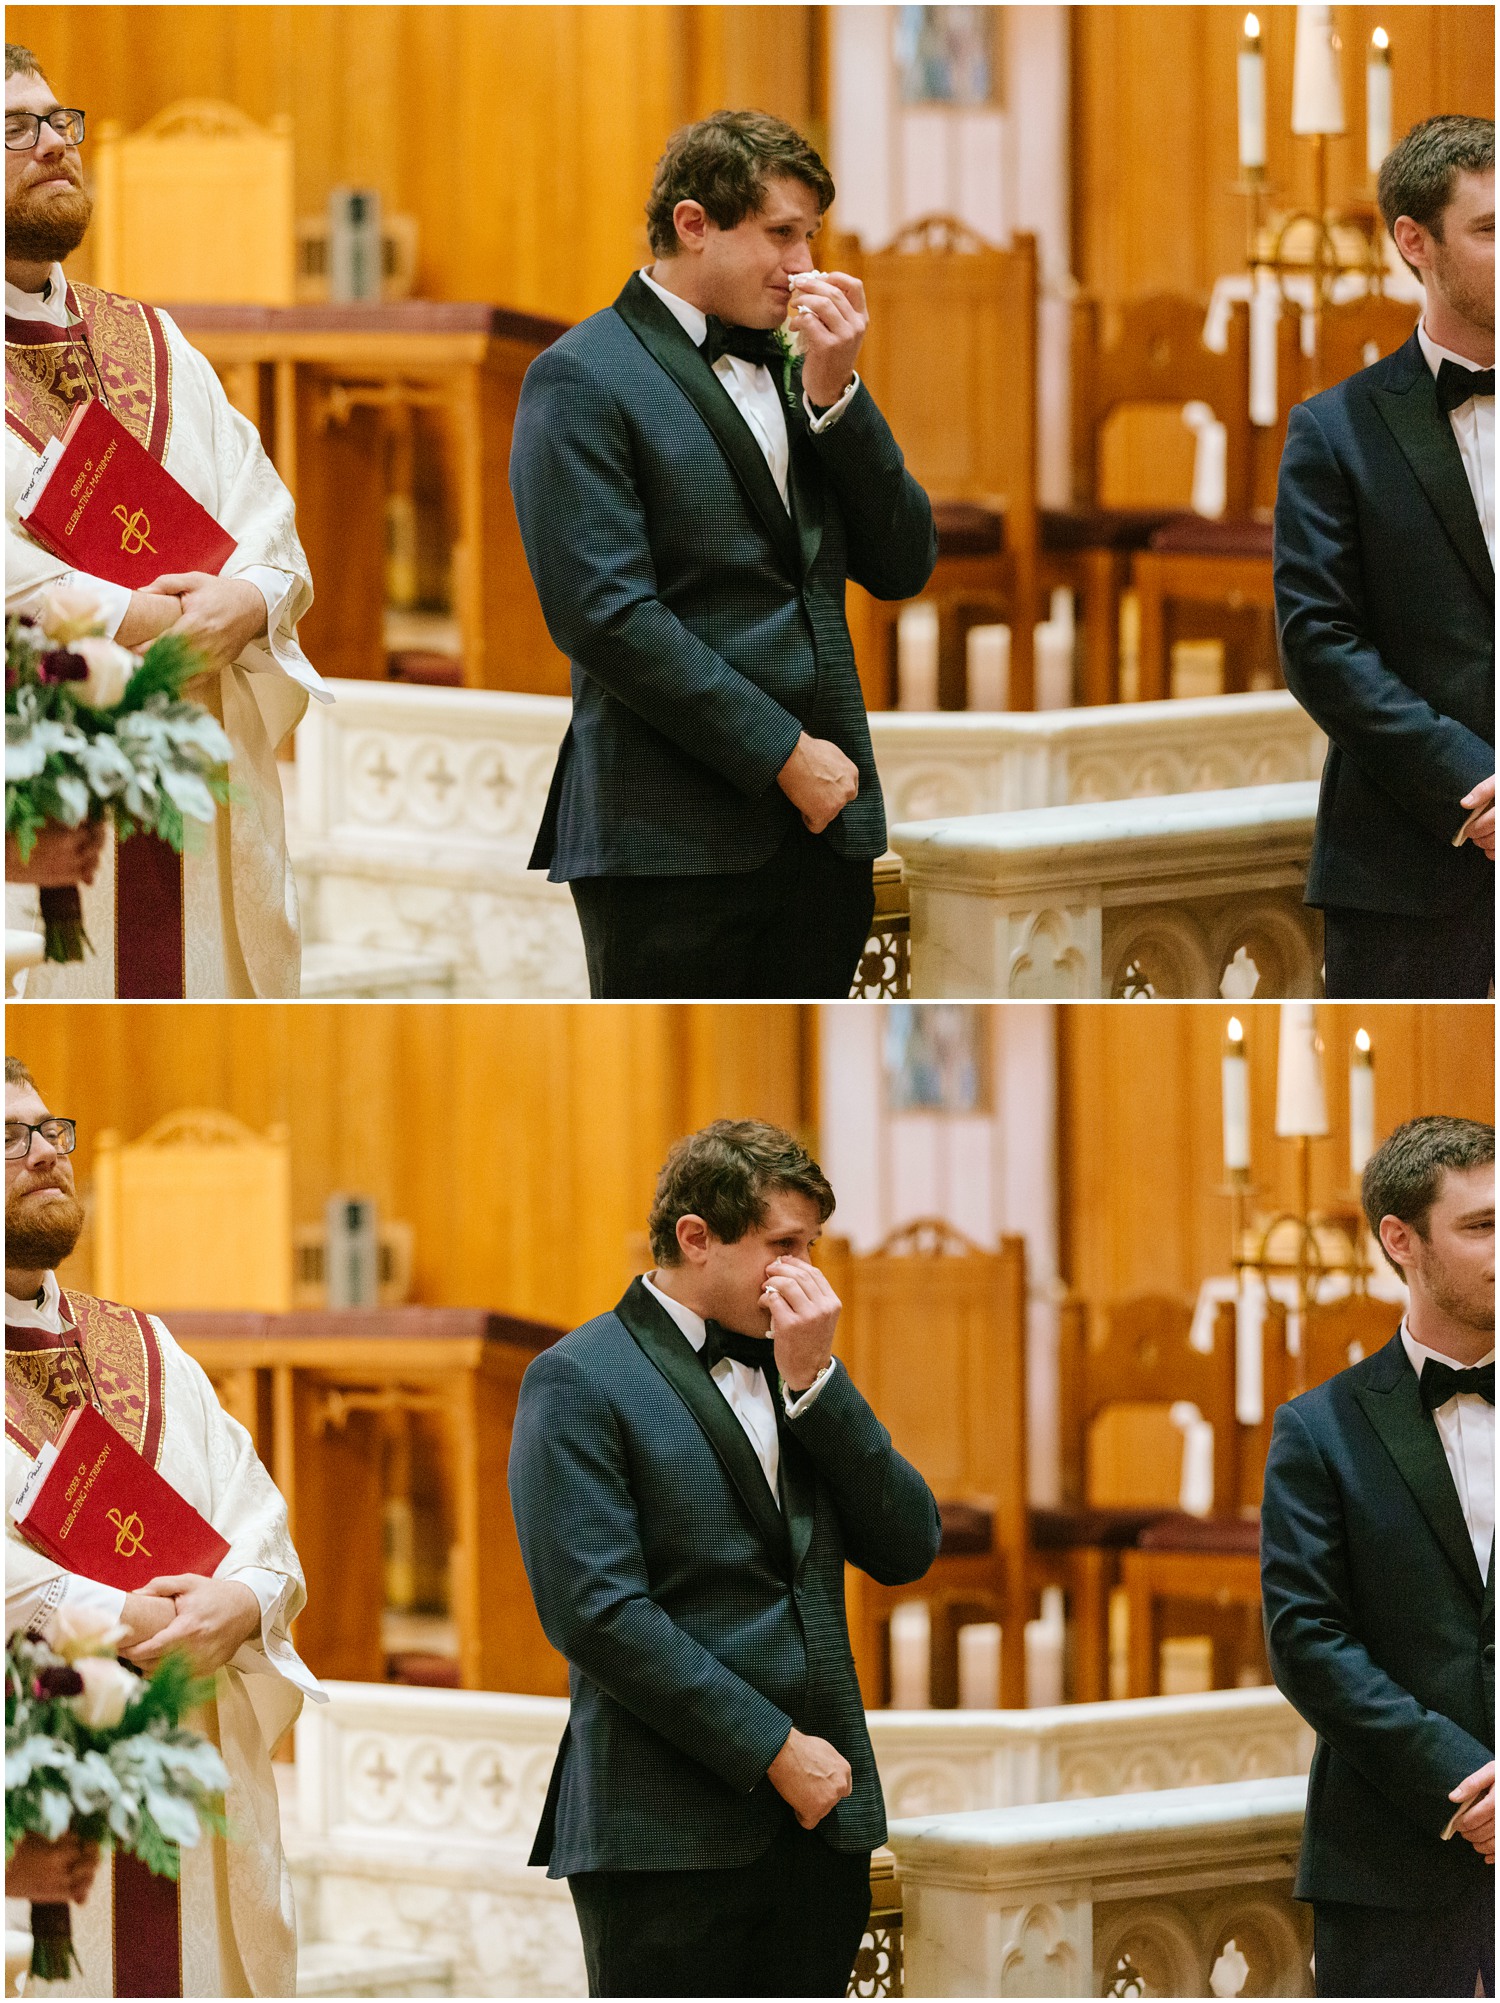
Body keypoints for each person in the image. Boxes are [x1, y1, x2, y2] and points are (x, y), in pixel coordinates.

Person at [509, 110, 936, 1000]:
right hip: (671, 841)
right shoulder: (580, 376)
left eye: (811, 235)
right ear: (695, 225)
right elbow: (606, 616)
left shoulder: (798, 363)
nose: (805, 266)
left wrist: (838, 396)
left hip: (824, 838)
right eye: (782, 234)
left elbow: (904, 564)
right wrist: (785, 754)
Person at [508, 1119, 941, 1997]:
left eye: (812, 1246)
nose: (808, 1276)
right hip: (668, 1835)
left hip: (820, 1834)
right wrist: (777, 1749)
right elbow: (597, 1613)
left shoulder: (798, 1364)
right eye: (784, 1245)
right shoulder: (579, 1377)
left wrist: (819, 1385)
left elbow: (908, 1545)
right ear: (696, 1239)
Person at [4, 44, 328, 999]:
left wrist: (249, 597)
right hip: (52, 787)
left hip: (201, 776)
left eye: (60, 122)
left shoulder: (154, 338)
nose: (55, 145)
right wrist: (137, 621)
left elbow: (265, 510)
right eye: (15, 129)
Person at [4, 1056, 324, 1997]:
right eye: (8, 1136)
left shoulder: (147, 1344)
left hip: (198, 1778)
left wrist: (245, 1598)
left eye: (49, 1130)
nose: (44, 1154)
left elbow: (256, 1510)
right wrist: (122, 1620)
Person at [1260, 1115, 1495, 1999]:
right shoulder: (1319, 1429)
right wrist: (1465, 1787)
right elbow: (1308, 1642)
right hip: (1389, 1861)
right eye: (1479, 1225)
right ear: (1402, 1241)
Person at [1273, 115, 1494, 1000]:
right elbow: (1320, 644)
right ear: (1416, 242)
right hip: (1409, 869)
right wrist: (1474, 784)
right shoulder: (1333, 431)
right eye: (1489, 229)